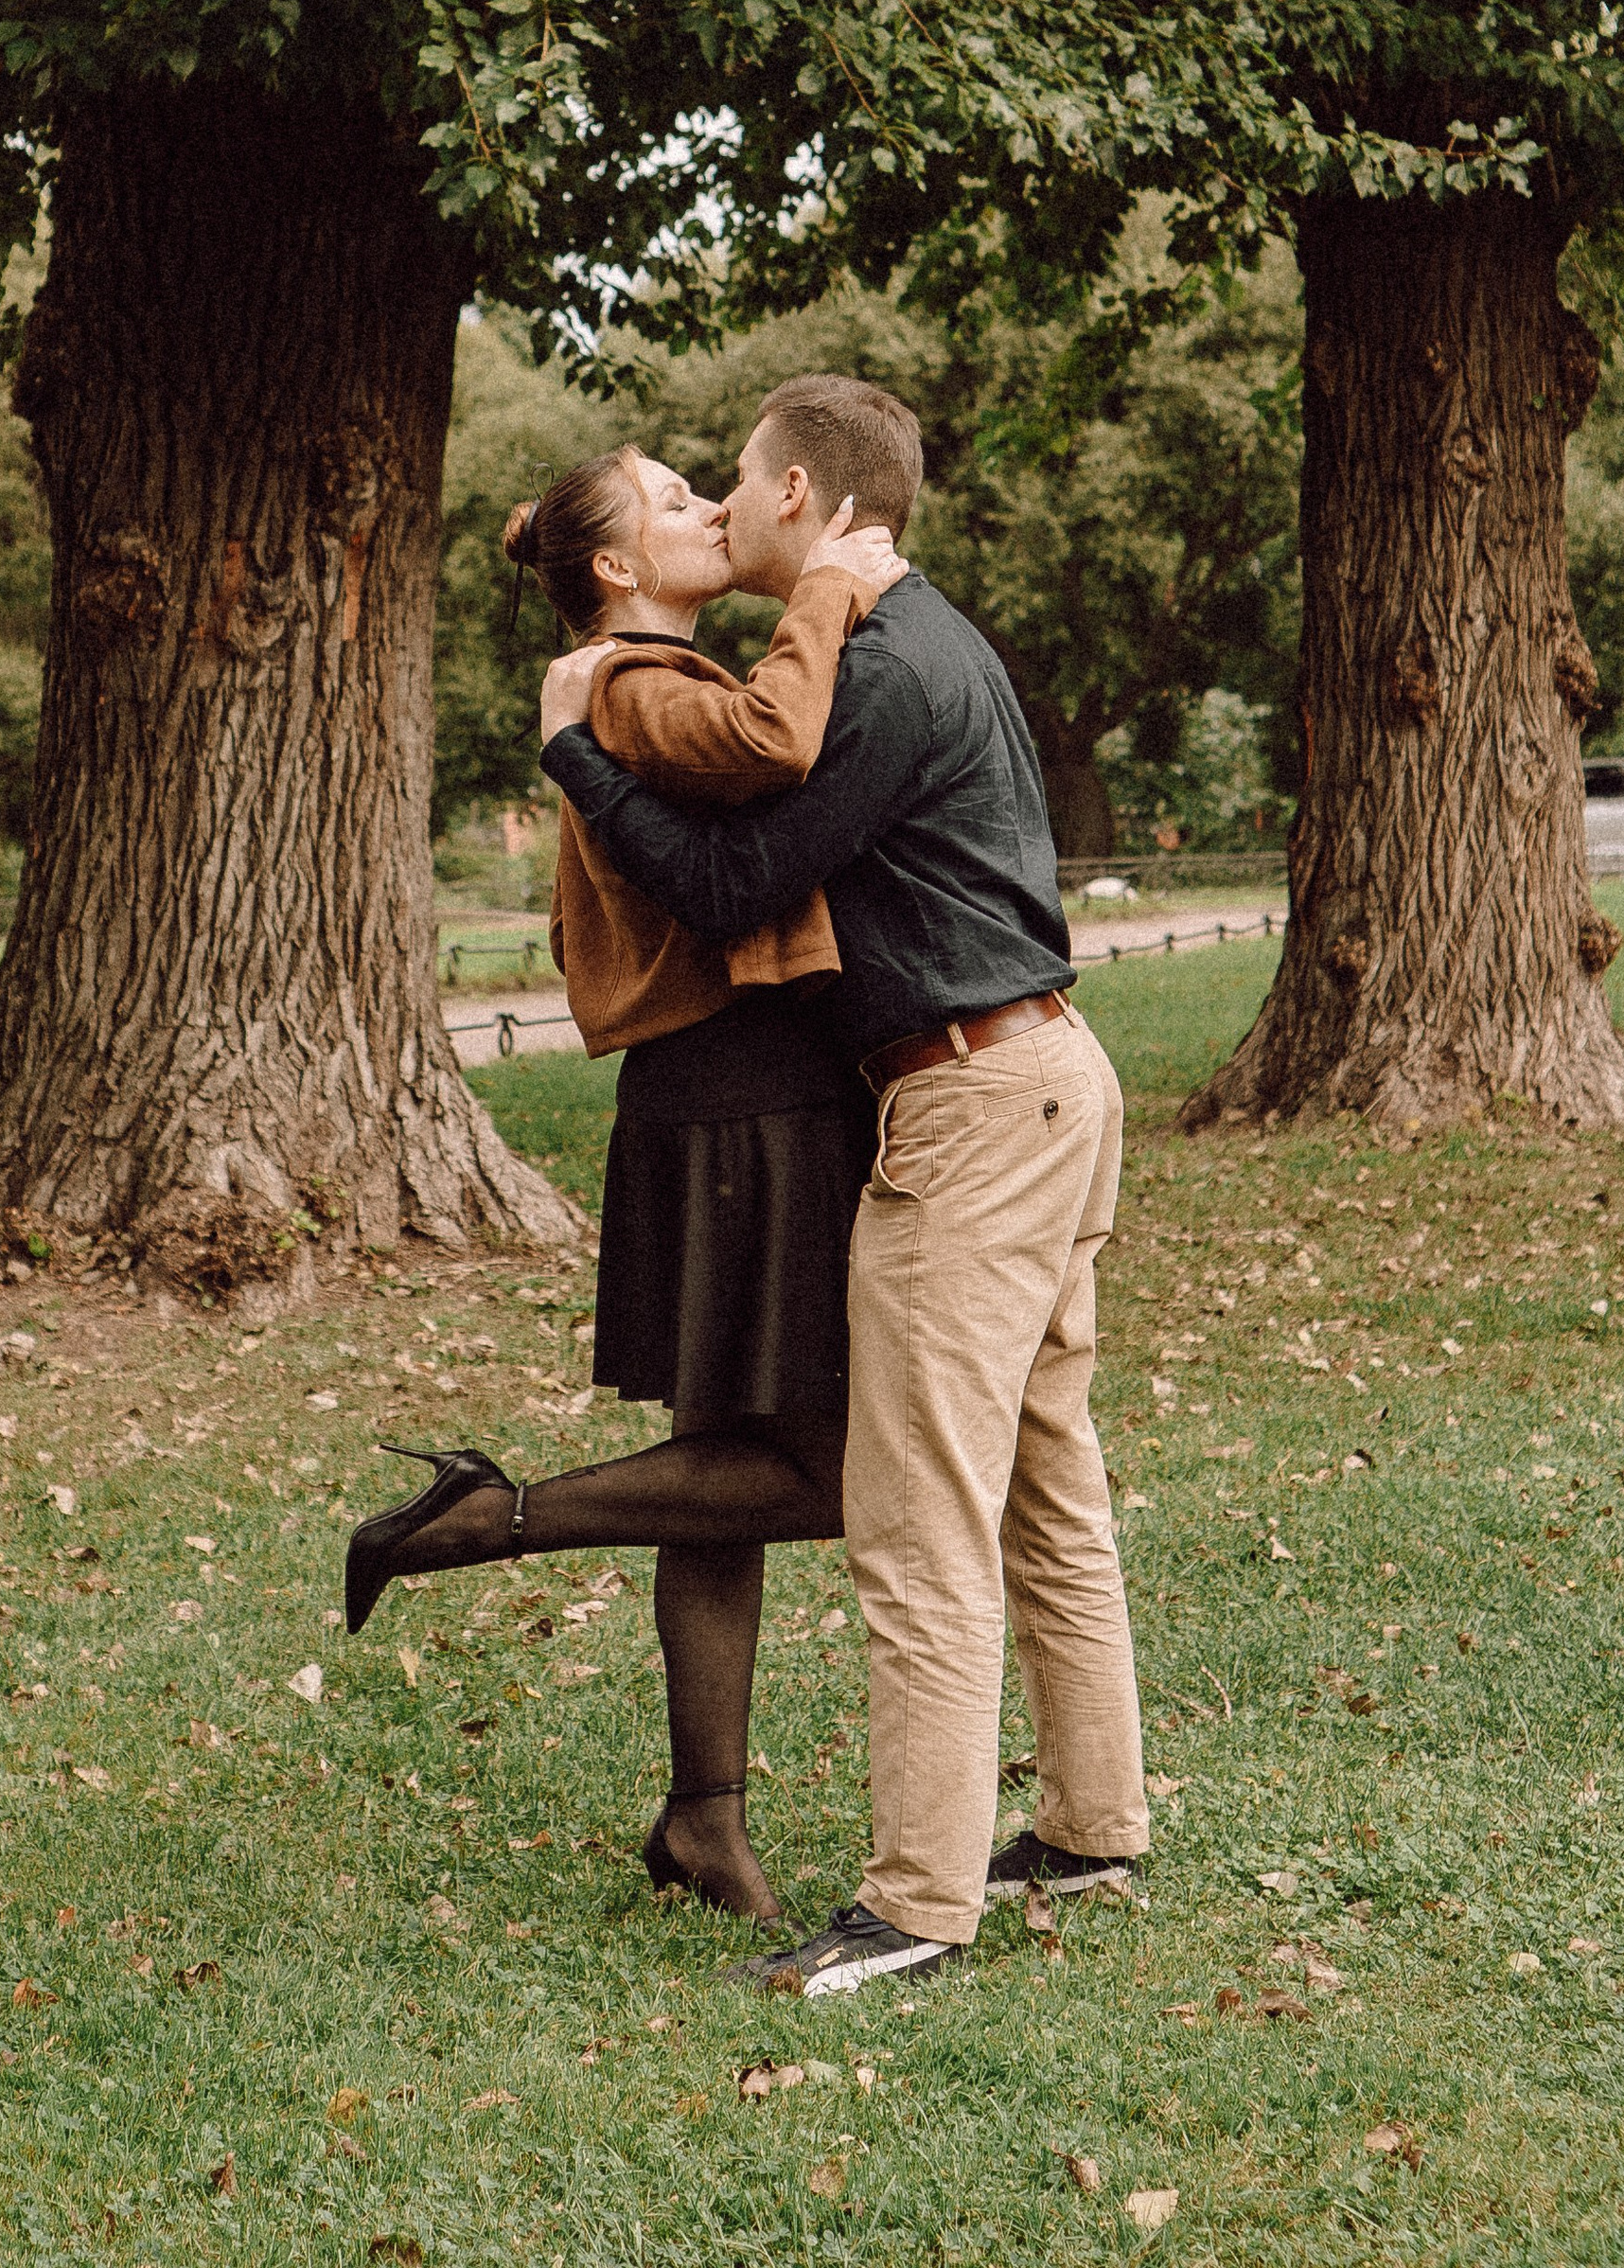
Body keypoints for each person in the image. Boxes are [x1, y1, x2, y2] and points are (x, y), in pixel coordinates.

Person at [538, 373, 1150, 1998]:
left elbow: (735, 878)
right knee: (1044, 1484)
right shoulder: (929, 630)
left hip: (972, 1106)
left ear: (801, 496)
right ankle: (1092, 1829)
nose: (724, 511)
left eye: (735, 486)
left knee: (920, 1519)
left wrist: (575, 756)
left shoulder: (871, 667)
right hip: (1049, 1075)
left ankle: (916, 1906)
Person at [344, 442, 905, 1924]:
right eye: (672, 503)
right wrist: (834, 588)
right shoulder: (637, 684)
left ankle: (702, 1818)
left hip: (717, 1099)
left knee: (721, 1468)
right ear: (613, 567)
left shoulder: (629, 683)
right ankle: (493, 1515)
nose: (710, 511)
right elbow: (779, 744)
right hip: (744, 1103)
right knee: (826, 1475)